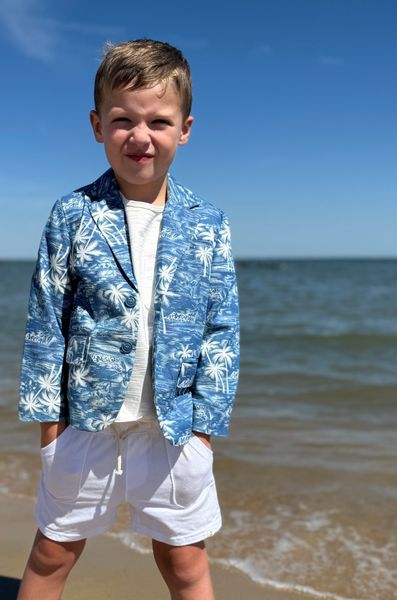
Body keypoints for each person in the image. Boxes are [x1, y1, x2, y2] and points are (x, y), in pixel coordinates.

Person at [17, 38, 239, 600]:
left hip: (171, 426)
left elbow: (222, 330)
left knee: (184, 562)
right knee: (52, 552)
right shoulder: (72, 213)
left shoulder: (207, 222)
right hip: (85, 421)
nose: (140, 136)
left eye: (159, 121)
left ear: (185, 129)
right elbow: (47, 322)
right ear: (98, 125)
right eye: (123, 120)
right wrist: (49, 427)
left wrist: (205, 430)